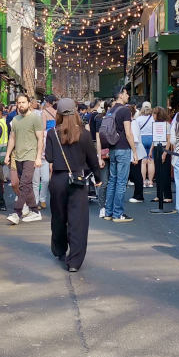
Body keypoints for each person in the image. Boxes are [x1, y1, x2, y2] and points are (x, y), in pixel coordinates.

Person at [46, 98, 101, 272]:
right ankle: (75, 261)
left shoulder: (52, 133)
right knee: (78, 221)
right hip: (77, 179)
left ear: (59, 114)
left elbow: (49, 157)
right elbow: (93, 159)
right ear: (76, 112)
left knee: (59, 217)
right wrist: (98, 177)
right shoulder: (84, 134)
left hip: (58, 179)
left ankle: (60, 249)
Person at [4, 93, 44, 224]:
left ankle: (17, 212)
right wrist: (8, 155)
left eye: (23, 102)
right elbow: (12, 138)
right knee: (27, 185)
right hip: (18, 156)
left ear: (29, 103)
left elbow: (40, 139)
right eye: (19, 103)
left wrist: (38, 157)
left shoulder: (35, 118)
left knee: (24, 184)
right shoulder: (15, 120)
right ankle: (34, 210)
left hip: (31, 155)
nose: (21, 105)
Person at [102, 88, 137, 223]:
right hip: (123, 149)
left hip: (112, 148)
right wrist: (134, 151)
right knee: (121, 183)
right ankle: (118, 214)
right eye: (127, 93)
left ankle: (109, 212)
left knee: (112, 181)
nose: (128, 95)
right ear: (121, 95)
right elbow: (128, 133)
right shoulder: (125, 110)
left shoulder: (111, 110)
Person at [34, 96, 57, 210]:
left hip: (47, 141)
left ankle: (41, 199)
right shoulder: (57, 112)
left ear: (48, 102)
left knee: (45, 178)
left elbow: (43, 127)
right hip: (53, 140)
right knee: (38, 179)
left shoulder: (44, 112)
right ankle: (38, 200)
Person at [150, 107, 172, 204]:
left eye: (154, 114)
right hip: (156, 147)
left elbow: (168, 140)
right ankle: (159, 195)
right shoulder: (155, 125)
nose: (153, 116)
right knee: (158, 173)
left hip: (163, 148)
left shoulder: (166, 124)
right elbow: (154, 138)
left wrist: (165, 152)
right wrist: (151, 150)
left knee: (165, 173)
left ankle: (167, 195)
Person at [135, 102, 155, 188]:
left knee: (143, 161)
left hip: (142, 139)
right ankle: (150, 181)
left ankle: (143, 181)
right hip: (152, 139)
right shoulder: (153, 118)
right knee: (151, 160)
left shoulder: (138, 119)